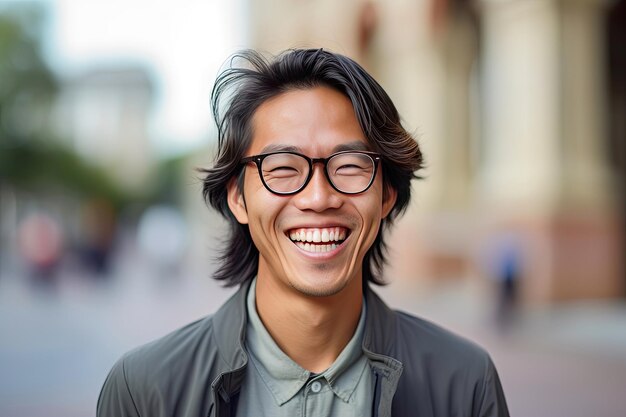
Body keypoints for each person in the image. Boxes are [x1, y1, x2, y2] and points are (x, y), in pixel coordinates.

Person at [97, 48, 509, 417]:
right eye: (282, 168)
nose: (318, 197)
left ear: (386, 195)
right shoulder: (143, 390)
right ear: (238, 198)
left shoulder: (466, 382)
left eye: (349, 166)